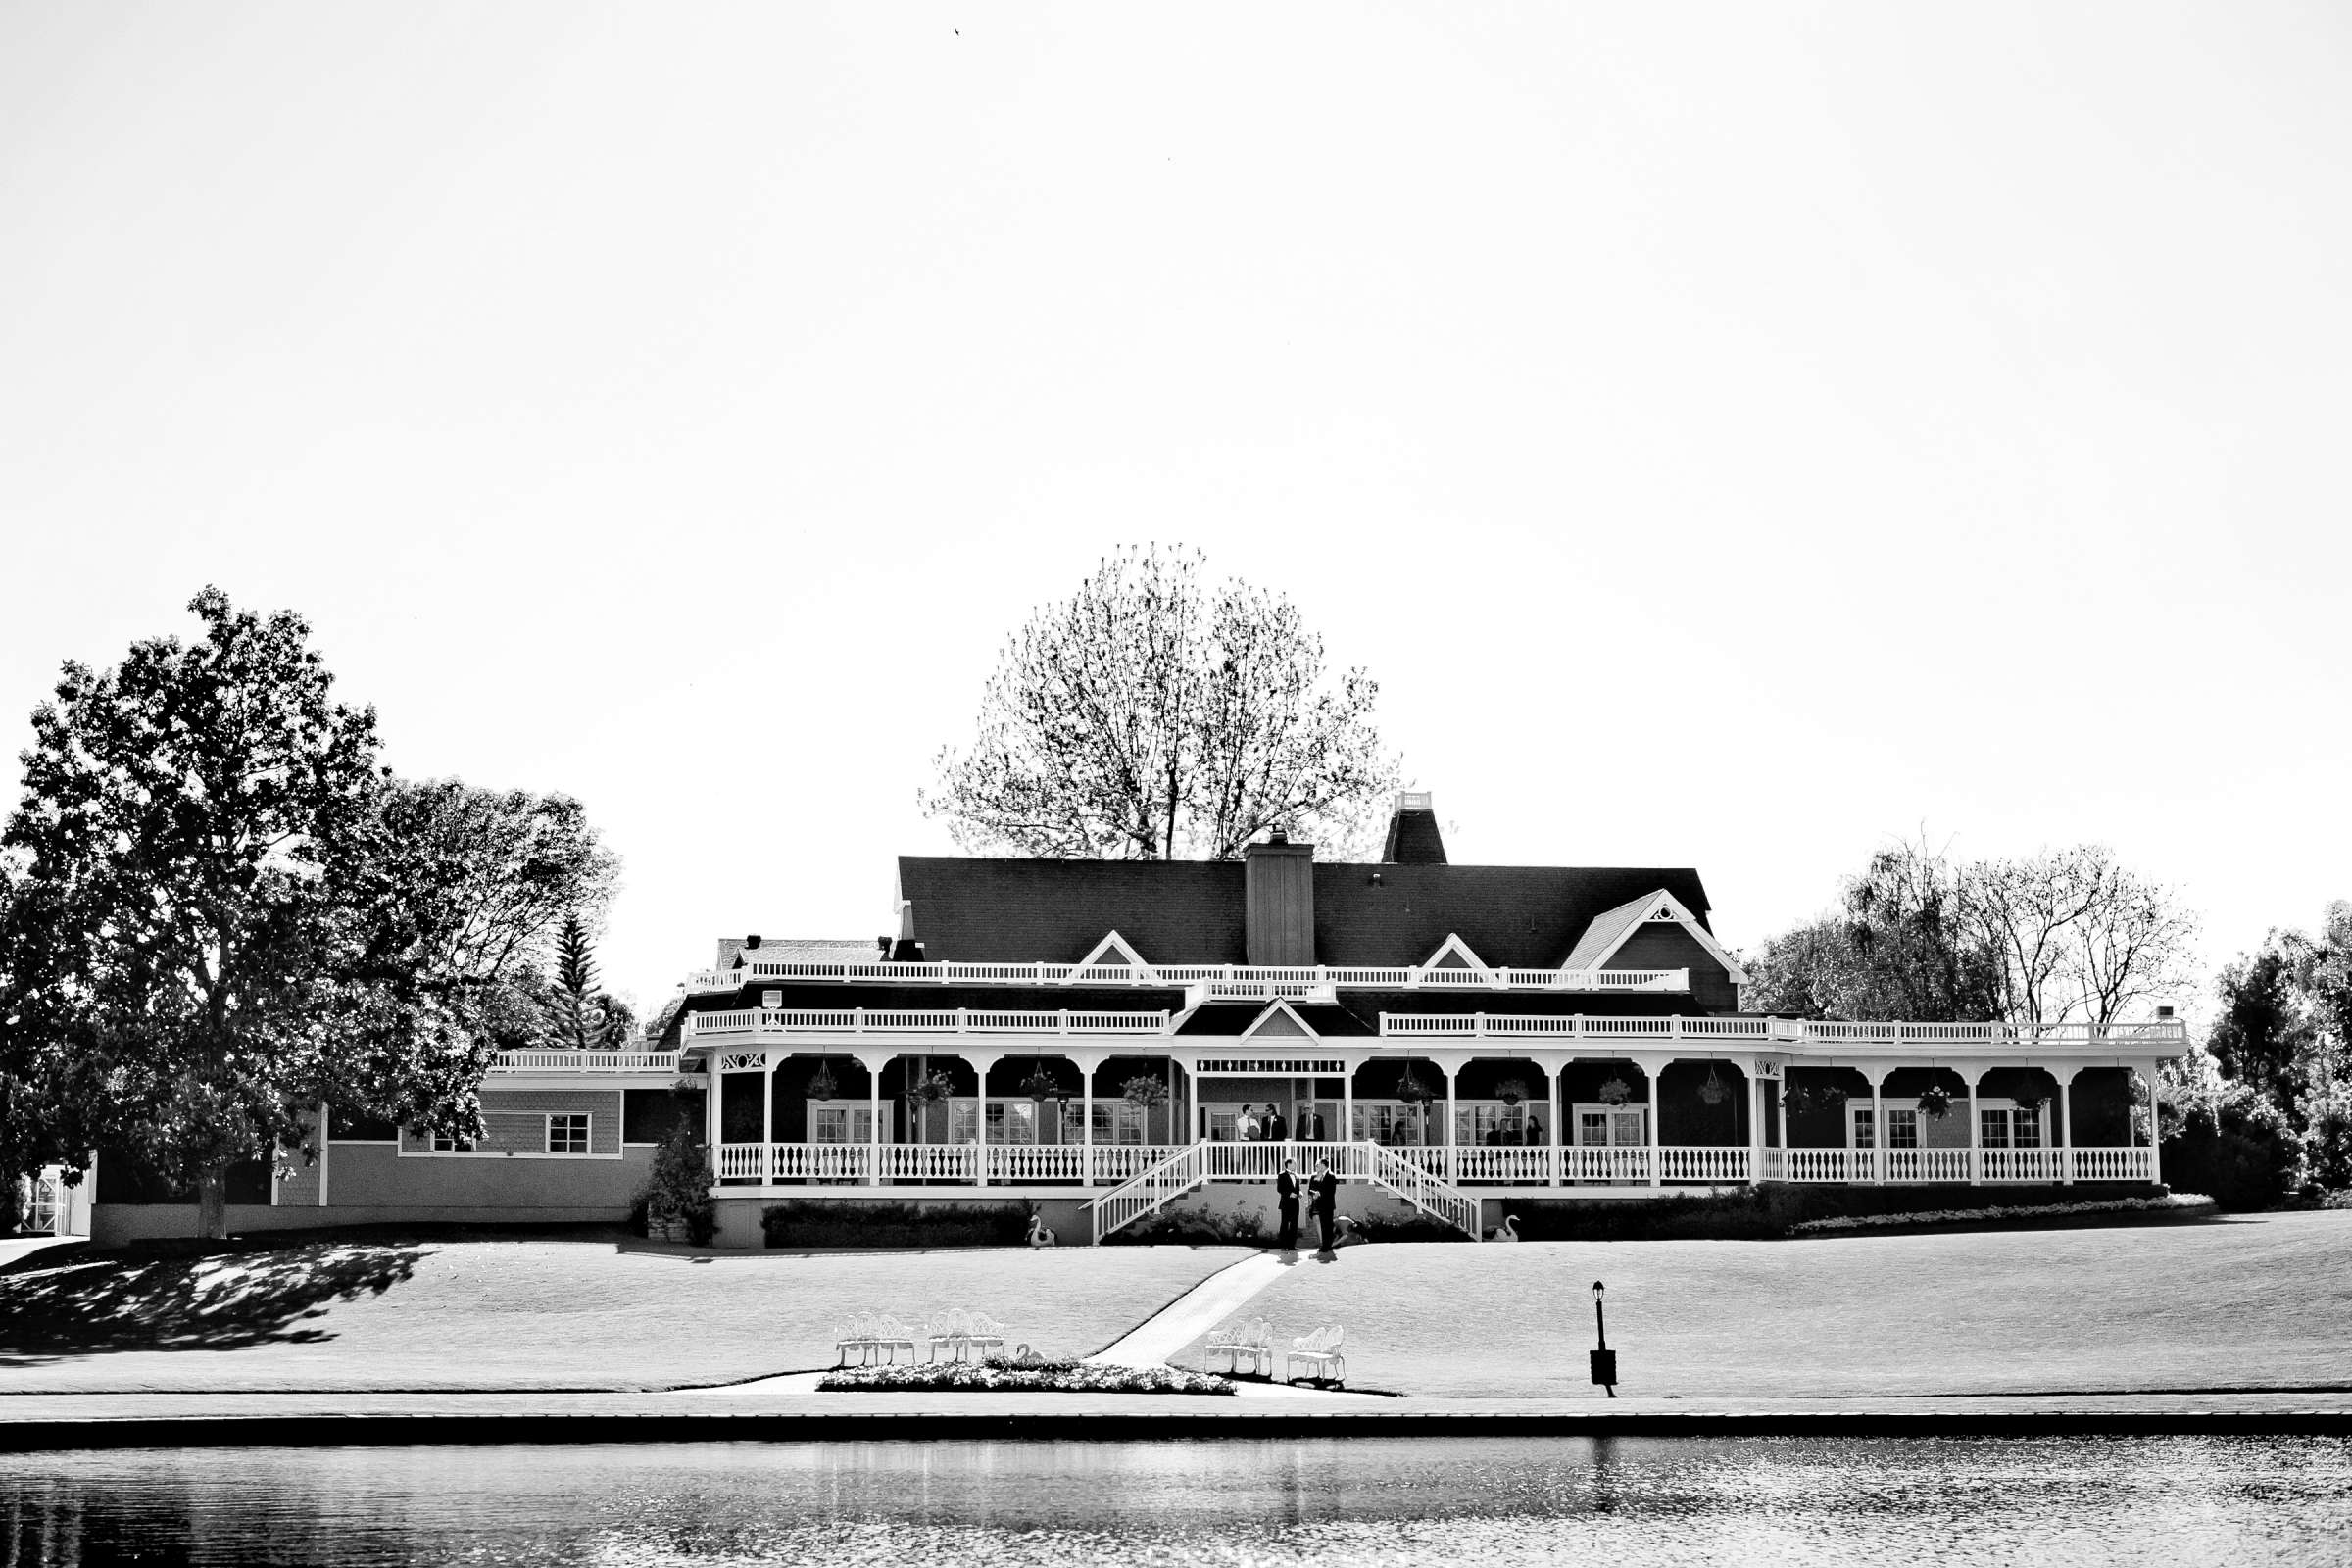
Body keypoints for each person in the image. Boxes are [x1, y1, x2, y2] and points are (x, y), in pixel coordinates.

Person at [1308, 1157, 1340, 1254]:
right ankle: (1325, 1246)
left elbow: (1331, 1192)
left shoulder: (1331, 1176)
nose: (1318, 1166)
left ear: (1323, 1165)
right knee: (1324, 1226)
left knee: (1328, 1226)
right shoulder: (1321, 1175)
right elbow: (1313, 1190)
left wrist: (1319, 1193)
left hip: (1328, 1205)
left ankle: (1327, 1246)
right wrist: (1316, 1193)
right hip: (1321, 1205)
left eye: (1320, 1165)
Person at [1274, 1158, 1300, 1251]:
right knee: (1284, 1224)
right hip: (1285, 1203)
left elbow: (1296, 1189)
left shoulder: (1297, 1175)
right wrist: (1289, 1194)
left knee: (1294, 1224)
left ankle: (1292, 1245)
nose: (1296, 1165)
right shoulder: (1281, 1175)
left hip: (1295, 1203)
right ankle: (1284, 1246)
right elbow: (1280, 1189)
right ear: (1288, 1164)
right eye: (1294, 1164)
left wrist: (1299, 1192)